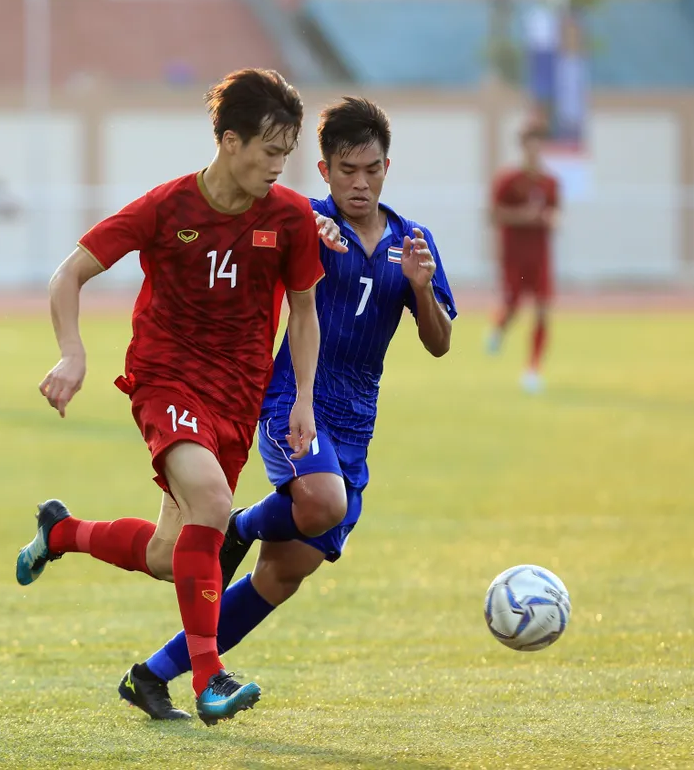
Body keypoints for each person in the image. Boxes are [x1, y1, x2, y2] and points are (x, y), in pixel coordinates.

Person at [24, 96, 457, 721]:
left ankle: (131, 641)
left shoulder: (399, 240)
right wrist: (72, 352)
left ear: (388, 167)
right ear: (326, 168)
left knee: (244, 571)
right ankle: (213, 664)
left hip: (323, 414)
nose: (359, 183)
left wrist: (421, 286)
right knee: (302, 503)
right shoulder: (292, 215)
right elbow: (75, 271)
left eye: (372, 170)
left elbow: (436, 341)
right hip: (249, 394)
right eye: (345, 170)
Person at [15, 68, 345, 726]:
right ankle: (208, 679)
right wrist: (73, 353)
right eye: (271, 151)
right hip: (165, 378)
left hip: (238, 397)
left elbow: (304, 312)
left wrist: (304, 397)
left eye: (288, 152)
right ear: (229, 141)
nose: (282, 166)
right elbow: (69, 273)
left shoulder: (289, 218)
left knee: (173, 556)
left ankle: (62, 532)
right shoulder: (166, 207)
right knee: (217, 505)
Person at [486, 120, 560, 393]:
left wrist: (553, 219)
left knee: (542, 310)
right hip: (514, 256)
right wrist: (523, 217)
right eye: (530, 142)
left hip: (540, 257)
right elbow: (493, 214)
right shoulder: (508, 180)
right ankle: (498, 328)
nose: (535, 147)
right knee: (513, 306)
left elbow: (555, 213)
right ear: (523, 146)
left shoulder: (551, 182)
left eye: (539, 141)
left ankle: (533, 369)